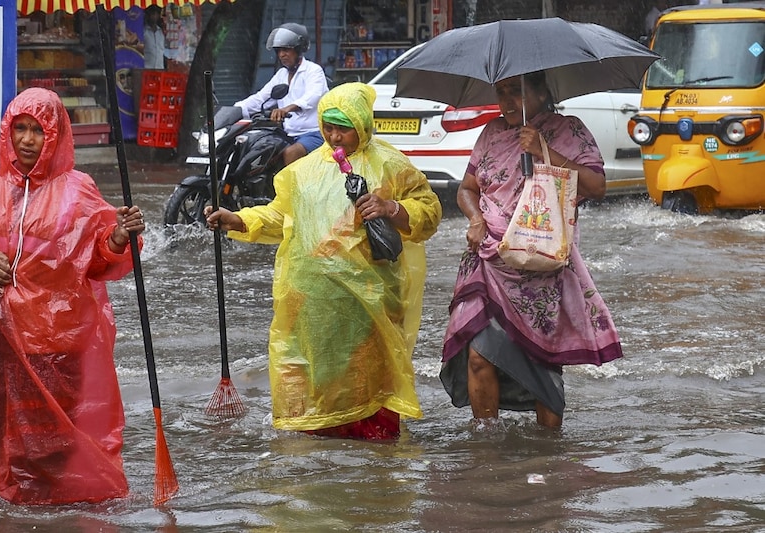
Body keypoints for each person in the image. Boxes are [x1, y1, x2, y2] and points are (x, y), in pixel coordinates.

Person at [0, 87, 145, 505]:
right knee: (3, 430)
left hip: (57, 341)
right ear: (7, 132)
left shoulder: (78, 190)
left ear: (56, 135)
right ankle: (18, 503)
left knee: (58, 436)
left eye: (37, 131)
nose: (27, 140)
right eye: (19, 129)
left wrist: (118, 236)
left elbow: (98, 258)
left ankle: (59, 508)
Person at [205, 82, 442, 440]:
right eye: (327, 127)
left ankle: (374, 467)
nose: (334, 137)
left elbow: (429, 211)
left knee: (368, 380)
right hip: (312, 299)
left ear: (362, 124)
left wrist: (391, 208)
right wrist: (238, 220)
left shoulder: (391, 165)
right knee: (320, 380)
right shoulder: (301, 173)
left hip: (369, 300)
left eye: (343, 127)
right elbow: (279, 218)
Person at [439, 72, 623, 430]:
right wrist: (475, 219)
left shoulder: (568, 130)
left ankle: (547, 452)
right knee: (478, 356)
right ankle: (486, 444)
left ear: (541, 93)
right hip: (489, 258)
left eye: (517, 93)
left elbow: (597, 187)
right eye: (501, 93)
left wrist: (543, 150)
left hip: (541, 265)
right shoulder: (491, 133)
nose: (507, 102)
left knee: (542, 362)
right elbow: (467, 188)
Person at [234, 22, 329, 167]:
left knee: (291, 153)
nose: (281, 55)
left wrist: (287, 109)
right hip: (286, 134)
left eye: (286, 50)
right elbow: (261, 98)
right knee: (257, 148)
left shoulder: (313, 71)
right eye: (278, 51)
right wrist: (235, 110)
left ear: (298, 49)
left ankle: (291, 190)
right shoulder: (281, 74)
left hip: (313, 133)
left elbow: (313, 96)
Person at [142, 5, 165, 70]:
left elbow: (162, 50)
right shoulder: (144, 32)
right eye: (152, 14)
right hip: (147, 67)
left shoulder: (160, 32)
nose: (154, 17)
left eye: (156, 14)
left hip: (159, 67)